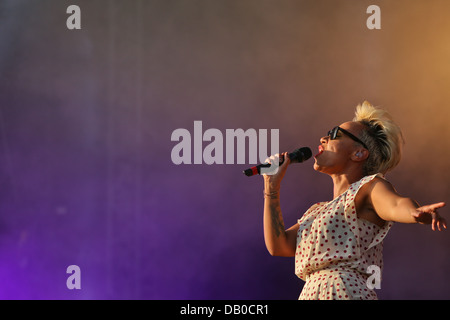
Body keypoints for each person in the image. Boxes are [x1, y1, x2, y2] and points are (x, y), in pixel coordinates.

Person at [262, 101, 446, 300]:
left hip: (343, 292)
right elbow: (278, 246)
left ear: (358, 153)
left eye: (334, 134)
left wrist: (415, 212)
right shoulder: (316, 212)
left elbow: (395, 204)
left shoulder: (368, 187)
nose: (323, 138)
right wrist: (271, 189)